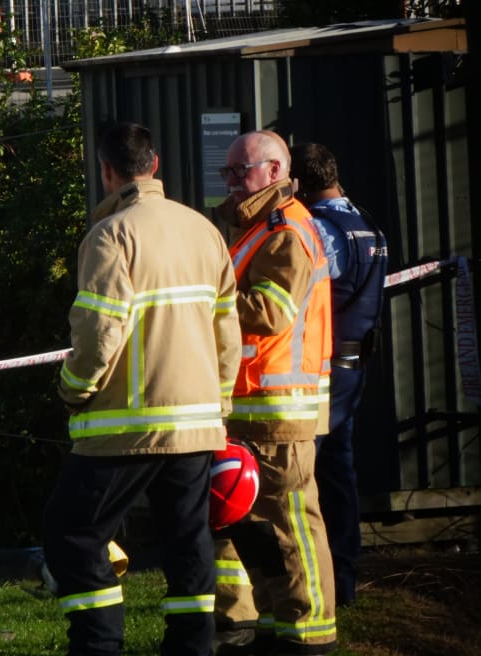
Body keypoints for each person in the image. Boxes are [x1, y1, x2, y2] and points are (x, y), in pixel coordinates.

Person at [43, 122, 242, 656]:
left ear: (107, 172)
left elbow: (99, 330)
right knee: (187, 541)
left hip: (124, 428)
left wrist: (73, 387)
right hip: (197, 425)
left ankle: (99, 645)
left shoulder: (111, 235)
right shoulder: (205, 231)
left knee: (73, 535)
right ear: (154, 165)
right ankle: (193, 647)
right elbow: (228, 329)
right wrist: (218, 402)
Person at [212, 130, 337, 655]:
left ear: (276, 171)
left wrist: (209, 296)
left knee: (292, 526)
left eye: (242, 172)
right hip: (244, 406)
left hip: (279, 410)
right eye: (228, 173)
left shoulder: (288, 230)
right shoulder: (248, 227)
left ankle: (309, 633)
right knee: (243, 523)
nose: (234, 183)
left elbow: (270, 313)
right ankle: (252, 621)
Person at [290, 142, 388, 608]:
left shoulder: (323, 232)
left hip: (325, 368)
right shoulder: (366, 224)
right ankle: (343, 578)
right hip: (355, 364)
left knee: (303, 470)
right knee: (337, 471)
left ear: (299, 185)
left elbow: (303, 297)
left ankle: (313, 579)